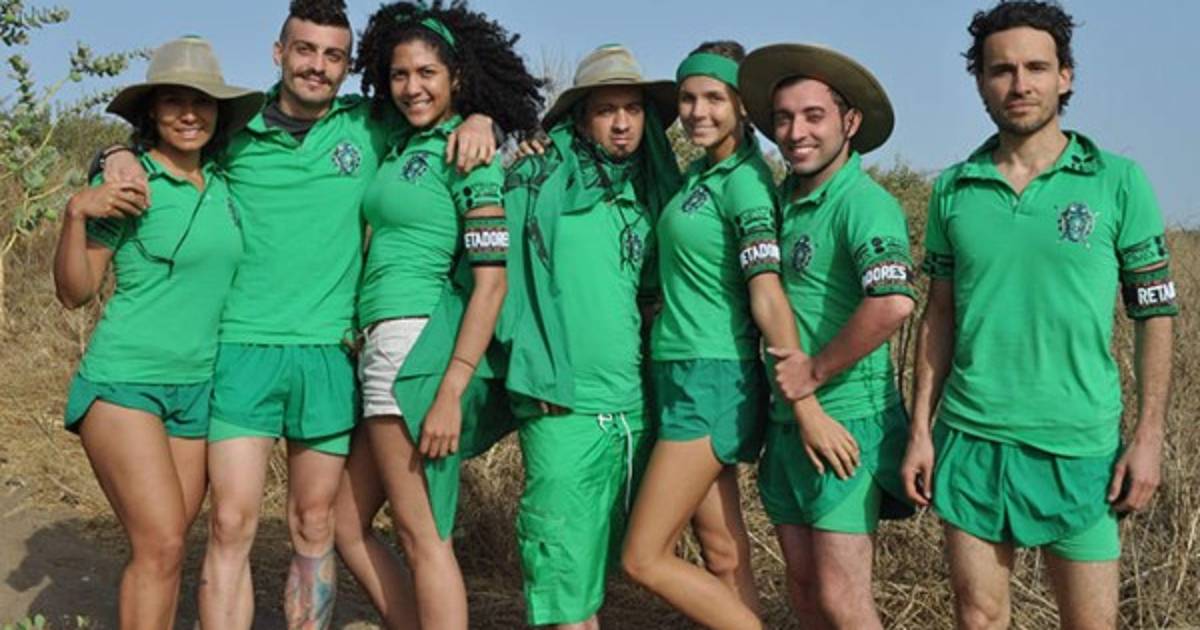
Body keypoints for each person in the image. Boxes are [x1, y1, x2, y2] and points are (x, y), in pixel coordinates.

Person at [99, 2, 498, 627]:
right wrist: (109, 155)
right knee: (231, 523)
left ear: (348, 65)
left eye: (334, 55)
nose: (318, 66)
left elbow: (441, 113)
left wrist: (482, 117)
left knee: (315, 525)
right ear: (278, 52)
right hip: (243, 350)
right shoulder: (235, 130)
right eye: (305, 50)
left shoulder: (370, 125)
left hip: (329, 356)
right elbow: (164, 147)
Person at [901, 2, 1176, 628]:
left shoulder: (1117, 182)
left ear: (1065, 76)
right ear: (980, 82)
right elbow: (937, 316)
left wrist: (1149, 437)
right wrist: (920, 428)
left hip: (1079, 444)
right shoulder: (954, 188)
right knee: (978, 617)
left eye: (1036, 68)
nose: (1019, 84)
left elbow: (1155, 314)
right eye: (1001, 70)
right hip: (971, 437)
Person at [329, 2, 542, 628]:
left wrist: (451, 389)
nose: (412, 87)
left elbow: (491, 285)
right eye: (399, 74)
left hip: (413, 353)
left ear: (456, 77)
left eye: (427, 73)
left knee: (425, 537)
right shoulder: (403, 146)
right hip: (381, 347)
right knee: (345, 523)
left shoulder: (469, 156)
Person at [619, 40, 832, 630]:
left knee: (643, 557)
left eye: (714, 98)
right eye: (688, 99)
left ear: (742, 106)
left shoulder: (745, 185)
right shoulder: (698, 176)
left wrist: (803, 398)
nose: (697, 111)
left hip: (712, 379)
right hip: (680, 371)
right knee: (721, 553)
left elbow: (767, 292)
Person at [54, 36, 262, 629]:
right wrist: (76, 212)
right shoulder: (131, 184)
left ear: (219, 111)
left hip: (197, 390)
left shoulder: (226, 184)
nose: (189, 114)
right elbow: (74, 292)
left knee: (167, 551)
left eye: (202, 102)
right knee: (162, 542)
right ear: (152, 111)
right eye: (174, 101)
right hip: (126, 382)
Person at [501, 44, 681, 629]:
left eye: (633, 108)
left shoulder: (651, 191)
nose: (622, 123)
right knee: (563, 580)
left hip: (632, 409)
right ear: (581, 118)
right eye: (606, 110)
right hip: (563, 405)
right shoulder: (538, 177)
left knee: (600, 574)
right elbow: (502, 281)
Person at [741, 43, 917, 628]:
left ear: (850, 122)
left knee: (843, 599)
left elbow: (892, 302)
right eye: (784, 118)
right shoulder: (782, 201)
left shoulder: (863, 203)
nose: (796, 133)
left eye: (814, 116)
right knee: (804, 587)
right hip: (787, 423)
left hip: (846, 421)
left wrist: (814, 372)